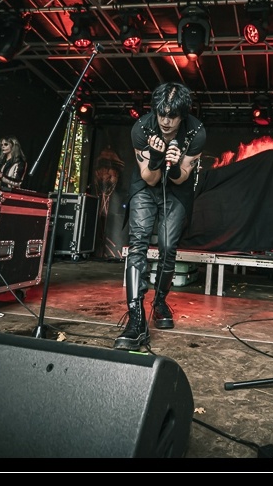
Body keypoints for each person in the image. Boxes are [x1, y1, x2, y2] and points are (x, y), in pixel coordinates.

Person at [114, 82, 206, 351]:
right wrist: (156, 156)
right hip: (146, 186)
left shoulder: (196, 132)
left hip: (177, 190)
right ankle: (135, 317)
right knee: (138, 243)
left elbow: (182, 177)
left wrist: (175, 165)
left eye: (172, 116)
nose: (165, 121)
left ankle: (160, 301)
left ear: (183, 115)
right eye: (161, 114)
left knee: (167, 247)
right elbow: (150, 178)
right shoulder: (141, 128)